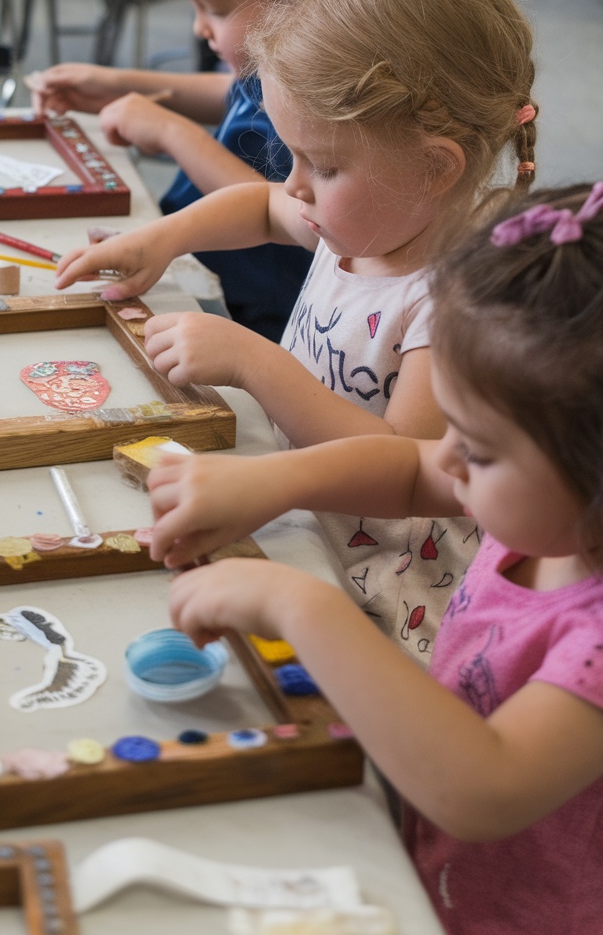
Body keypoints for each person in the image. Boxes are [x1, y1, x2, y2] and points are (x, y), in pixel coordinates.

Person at [54, 0, 539, 657]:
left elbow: (403, 463)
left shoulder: (455, 297)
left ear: (434, 168)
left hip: (384, 586)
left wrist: (254, 363)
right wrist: (164, 240)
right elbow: (258, 207)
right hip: (299, 512)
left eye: (324, 164)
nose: (297, 186)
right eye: (293, 155)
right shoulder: (367, 219)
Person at [148, 183, 603, 935]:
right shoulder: (553, 512)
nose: (447, 457)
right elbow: (410, 470)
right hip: (434, 870)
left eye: (479, 449)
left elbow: (481, 790)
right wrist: (271, 479)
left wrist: (302, 604)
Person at [27, 0, 374, 341]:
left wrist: (171, 133)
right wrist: (122, 85)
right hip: (188, 265)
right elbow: (237, 100)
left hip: (247, 319)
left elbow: (282, 208)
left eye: (214, 6)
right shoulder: (281, 53)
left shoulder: (324, 85)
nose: (198, 27)